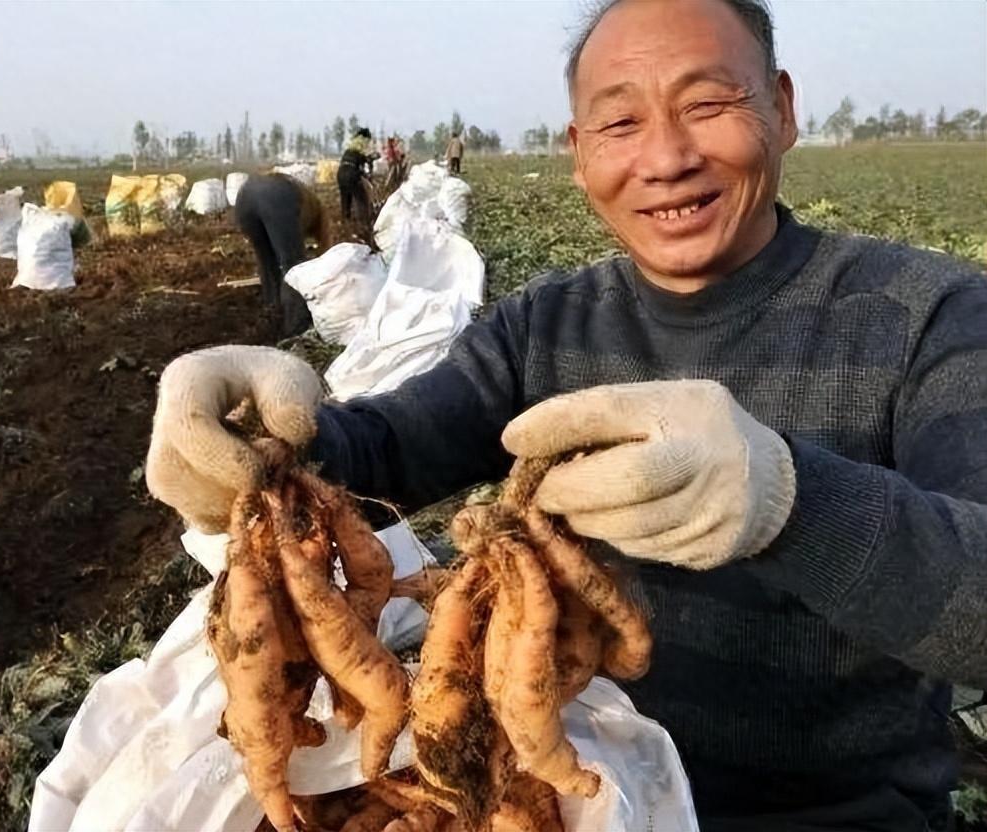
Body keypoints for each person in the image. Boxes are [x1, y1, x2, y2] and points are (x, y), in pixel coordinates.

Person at [146, 1, 987, 829]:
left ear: (783, 110)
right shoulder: (546, 325)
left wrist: (791, 503)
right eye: (620, 124)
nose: (666, 158)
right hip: (574, 786)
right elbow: (389, 448)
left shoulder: (931, 316)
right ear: (580, 156)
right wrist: (259, 438)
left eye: (706, 105)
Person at [233, 172, 330, 338]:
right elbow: (325, 249)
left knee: (266, 262)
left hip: (244, 197)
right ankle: (296, 327)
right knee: (293, 266)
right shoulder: (315, 211)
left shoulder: (303, 200)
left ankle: (272, 311)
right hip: (276, 197)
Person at [337, 127, 378, 224]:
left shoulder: (351, 146)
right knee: (361, 198)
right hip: (351, 174)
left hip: (341, 173)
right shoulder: (363, 144)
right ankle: (364, 222)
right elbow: (363, 162)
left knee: (346, 198)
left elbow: (355, 160)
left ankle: (345, 220)